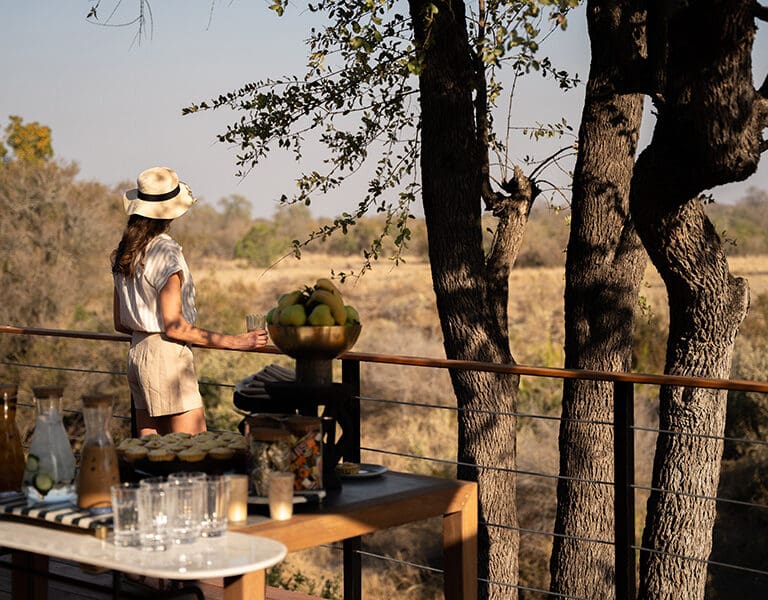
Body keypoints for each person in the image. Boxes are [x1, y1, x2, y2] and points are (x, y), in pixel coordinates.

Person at [111, 166, 267, 437]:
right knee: (193, 449)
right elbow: (174, 327)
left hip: (137, 352)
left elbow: (120, 323)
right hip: (166, 357)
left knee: (151, 452)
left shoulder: (125, 252)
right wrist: (237, 342)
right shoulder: (164, 250)